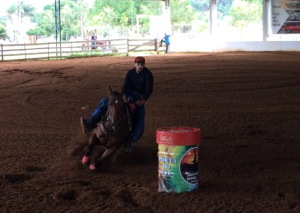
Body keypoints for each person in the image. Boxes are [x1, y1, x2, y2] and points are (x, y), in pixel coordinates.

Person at [80, 56, 154, 151]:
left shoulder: (148, 75)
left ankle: (131, 141)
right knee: (105, 102)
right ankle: (90, 122)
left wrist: (143, 99)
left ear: (144, 65)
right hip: (127, 95)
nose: (140, 66)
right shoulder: (130, 73)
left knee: (140, 119)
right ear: (134, 64)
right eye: (138, 64)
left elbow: (149, 89)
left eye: (142, 64)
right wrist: (123, 96)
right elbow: (125, 86)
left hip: (138, 98)